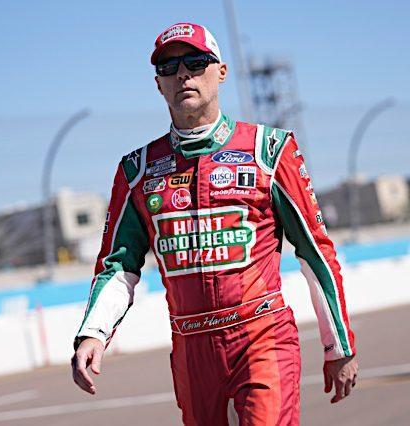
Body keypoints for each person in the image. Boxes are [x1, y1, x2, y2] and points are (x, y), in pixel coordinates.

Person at [71, 22, 358, 425]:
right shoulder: (136, 170)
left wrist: (337, 344)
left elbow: (315, 252)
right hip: (191, 352)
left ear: (221, 71)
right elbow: (118, 265)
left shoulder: (269, 150)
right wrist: (93, 334)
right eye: (169, 68)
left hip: (262, 337)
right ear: (158, 84)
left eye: (195, 62)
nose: (183, 74)